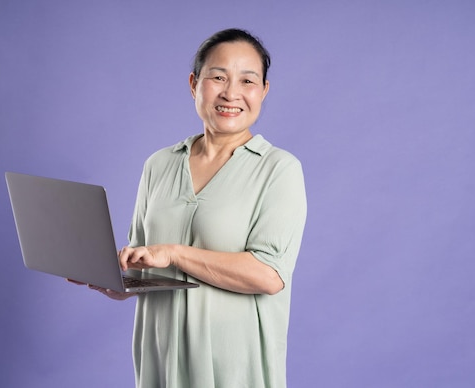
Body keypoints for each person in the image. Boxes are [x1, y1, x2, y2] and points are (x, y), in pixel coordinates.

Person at [73, 28, 307, 388]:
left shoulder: (278, 169)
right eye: (218, 77)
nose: (231, 93)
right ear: (194, 83)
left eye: (247, 80)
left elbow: (268, 275)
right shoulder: (159, 164)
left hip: (232, 368)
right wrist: (116, 280)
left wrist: (175, 254)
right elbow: (144, 261)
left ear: (263, 91)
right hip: (160, 361)